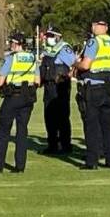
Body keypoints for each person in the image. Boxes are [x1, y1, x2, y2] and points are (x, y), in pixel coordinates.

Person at [0, 34, 38, 174]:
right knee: (22, 131)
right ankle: (20, 166)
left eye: (12, 42)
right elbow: (38, 80)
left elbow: (0, 81)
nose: (10, 44)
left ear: (17, 44)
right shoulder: (32, 58)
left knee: (3, 131)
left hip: (13, 97)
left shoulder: (11, 58)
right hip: (28, 97)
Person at [75, 19, 110, 170]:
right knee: (108, 125)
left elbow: (86, 64)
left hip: (94, 86)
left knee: (92, 124)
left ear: (96, 27)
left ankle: (92, 161)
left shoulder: (94, 42)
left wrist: (76, 64)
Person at [39, 26, 76, 155]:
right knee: (49, 117)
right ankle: (52, 144)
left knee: (62, 116)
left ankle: (65, 145)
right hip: (48, 86)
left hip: (60, 86)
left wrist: (68, 76)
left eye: (51, 36)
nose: (48, 38)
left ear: (58, 37)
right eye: (47, 36)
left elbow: (74, 63)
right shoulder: (47, 50)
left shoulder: (64, 48)